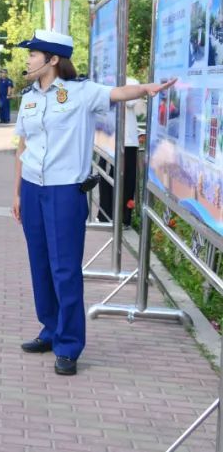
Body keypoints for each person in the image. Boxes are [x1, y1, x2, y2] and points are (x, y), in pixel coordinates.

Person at [12, 30, 173, 376]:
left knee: (65, 269)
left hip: (64, 192)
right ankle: (50, 330)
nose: (28, 59)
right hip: (32, 188)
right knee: (39, 264)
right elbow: (21, 147)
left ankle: (69, 345)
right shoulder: (28, 98)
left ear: (53, 59)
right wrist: (16, 193)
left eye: (34, 54)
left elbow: (117, 93)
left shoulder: (82, 93)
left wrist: (146, 89)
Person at [97, 77, 141, 227]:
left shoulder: (131, 82)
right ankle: (104, 216)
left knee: (126, 181)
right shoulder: (102, 80)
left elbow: (131, 101)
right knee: (105, 177)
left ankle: (123, 219)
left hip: (127, 142)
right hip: (107, 140)